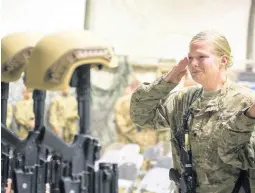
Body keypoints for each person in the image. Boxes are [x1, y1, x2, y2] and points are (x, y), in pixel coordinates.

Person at [130, 30, 255, 193]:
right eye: (190, 58)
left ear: (222, 60)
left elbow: (249, 157)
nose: (193, 64)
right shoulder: (184, 100)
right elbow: (142, 116)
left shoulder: (245, 102)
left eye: (201, 57)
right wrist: (167, 82)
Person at [114, 74, 158, 152]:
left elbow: (123, 127)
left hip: (127, 147)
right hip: (147, 147)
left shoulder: (121, 103)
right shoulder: (151, 102)